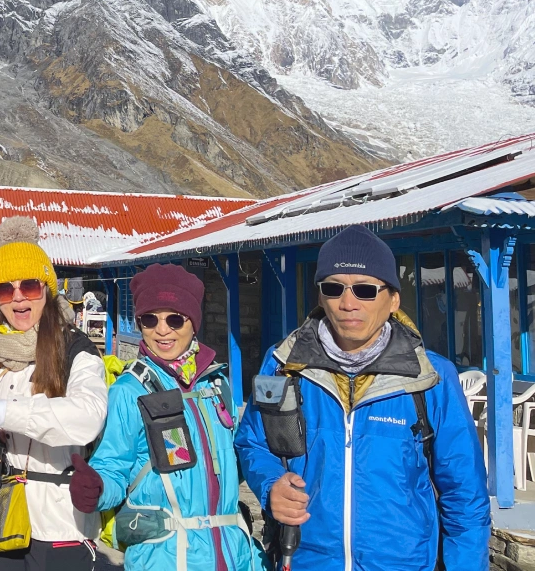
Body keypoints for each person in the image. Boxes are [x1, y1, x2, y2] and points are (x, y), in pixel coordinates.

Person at [235, 225, 490, 571]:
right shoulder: (283, 365)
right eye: (334, 287)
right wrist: (269, 486)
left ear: (393, 300)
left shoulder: (431, 378)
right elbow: (252, 442)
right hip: (306, 561)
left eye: (366, 289)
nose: (348, 302)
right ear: (320, 296)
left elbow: (465, 496)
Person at [69, 264, 257, 571]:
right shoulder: (129, 391)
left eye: (174, 318)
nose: (162, 330)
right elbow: (112, 468)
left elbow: (232, 467)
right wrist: (97, 487)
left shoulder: (216, 384)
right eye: (149, 319)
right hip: (163, 558)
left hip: (232, 556)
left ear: (193, 323)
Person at [0, 217, 107, 571]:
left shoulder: (76, 348)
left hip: (61, 526)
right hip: (6, 520)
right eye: (4, 290)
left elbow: (86, 418)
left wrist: (1, 412)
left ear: (46, 288)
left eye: (29, 286)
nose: (18, 299)